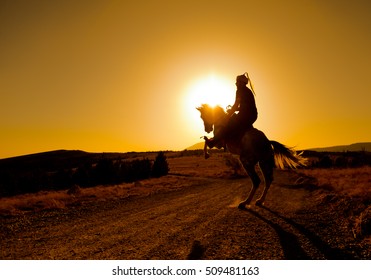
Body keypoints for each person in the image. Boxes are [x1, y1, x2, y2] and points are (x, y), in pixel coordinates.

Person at [205, 72, 258, 148]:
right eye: (236, 82)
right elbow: (246, 106)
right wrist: (234, 109)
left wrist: (228, 116)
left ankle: (213, 142)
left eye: (238, 82)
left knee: (228, 124)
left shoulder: (240, 91)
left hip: (244, 115)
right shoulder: (248, 91)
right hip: (253, 115)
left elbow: (236, 104)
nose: (236, 84)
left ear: (242, 83)